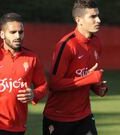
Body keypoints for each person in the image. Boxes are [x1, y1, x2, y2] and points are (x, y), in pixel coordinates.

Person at [42, 0, 108, 135]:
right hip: (59, 118)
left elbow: (88, 77)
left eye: (98, 15)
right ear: (79, 20)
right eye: (92, 17)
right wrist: (89, 79)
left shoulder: (97, 43)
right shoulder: (66, 45)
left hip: (85, 116)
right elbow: (54, 84)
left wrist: (98, 87)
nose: (98, 20)